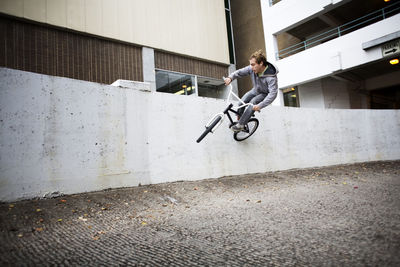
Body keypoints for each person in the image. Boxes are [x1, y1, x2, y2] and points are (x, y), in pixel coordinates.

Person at [224, 50, 279, 132]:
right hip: (255, 90)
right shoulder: (252, 69)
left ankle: (241, 125)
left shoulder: (271, 78)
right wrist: (230, 77)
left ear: (261, 63)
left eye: (253, 65)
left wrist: (260, 105)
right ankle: (239, 120)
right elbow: (240, 72)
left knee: (253, 103)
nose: (251, 67)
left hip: (264, 94)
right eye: (251, 65)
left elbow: (273, 94)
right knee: (241, 102)